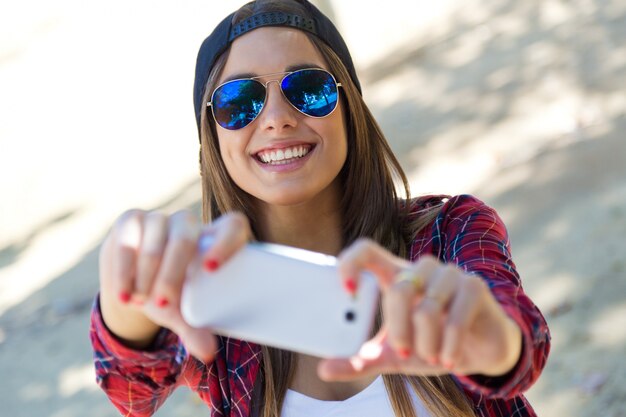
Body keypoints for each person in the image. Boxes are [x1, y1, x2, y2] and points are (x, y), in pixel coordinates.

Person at [90, 1, 551, 416]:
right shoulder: (208, 288)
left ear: (350, 107)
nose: (276, 117)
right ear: (213, 137)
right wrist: (126, 300)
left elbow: (521, 342)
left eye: (308, 88)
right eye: (239, 101)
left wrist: (496, 343)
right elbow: (131, 391)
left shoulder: (451, 230)